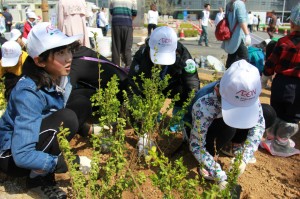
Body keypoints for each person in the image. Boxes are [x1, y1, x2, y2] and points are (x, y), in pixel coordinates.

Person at [0, 22, 92, 198]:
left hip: (29, 143)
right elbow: (22, 155)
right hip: (10, 156)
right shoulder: (28, 92)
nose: (69, 58)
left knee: (81, 105)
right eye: (60, 53)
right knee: (68, 117)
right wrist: (69, 163)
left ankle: (41, 167)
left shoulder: (60, 78)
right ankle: (37, 181)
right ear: (39, 61)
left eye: (68, 50)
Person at [184, 59, 276, 190]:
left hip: (223, 124)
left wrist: (245, 157)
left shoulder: (249, 92)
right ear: (218, 91)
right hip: (199, 130)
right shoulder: (204, 102)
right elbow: (196, 145)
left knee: (269, 113)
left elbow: (259, 124)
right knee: (229, 128)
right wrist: (217, 172)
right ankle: (209, 157)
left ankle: (233, 145)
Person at [128, 26, 200, 148]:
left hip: (173, 86)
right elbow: (133, 89)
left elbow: (192, 84)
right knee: (142, 103)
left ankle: (178, 121)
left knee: (186, 92)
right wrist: (141, 130)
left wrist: (190, 120)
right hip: (151, 89)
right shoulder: (142, 55)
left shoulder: (182, 54)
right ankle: (153, 117)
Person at [260, 4, 300, 157]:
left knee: (276, 112)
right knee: (291, 117)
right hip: (297, 87)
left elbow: (270, 63)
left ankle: (270, 138)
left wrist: (264, 79)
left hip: (279, 83)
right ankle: (281, 142)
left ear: (291, 23)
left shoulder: (282, 41)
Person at [222, 0, 251, 69]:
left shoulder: (229, 4)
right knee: (244, 60)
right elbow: (241, 20)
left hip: (231, 36)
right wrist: (247, 34)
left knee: (231, 59)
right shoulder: (240, 4)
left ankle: (228, 77)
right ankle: (241, 78)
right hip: (239, 37)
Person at [109, 0, 137, 67]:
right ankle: (128, 68)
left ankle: (115, 69)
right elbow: (134, 13)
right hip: (127, 24)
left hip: (116, 24)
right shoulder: (133, 1)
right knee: (127, 48)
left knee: (116, 48)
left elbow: (111, 12)